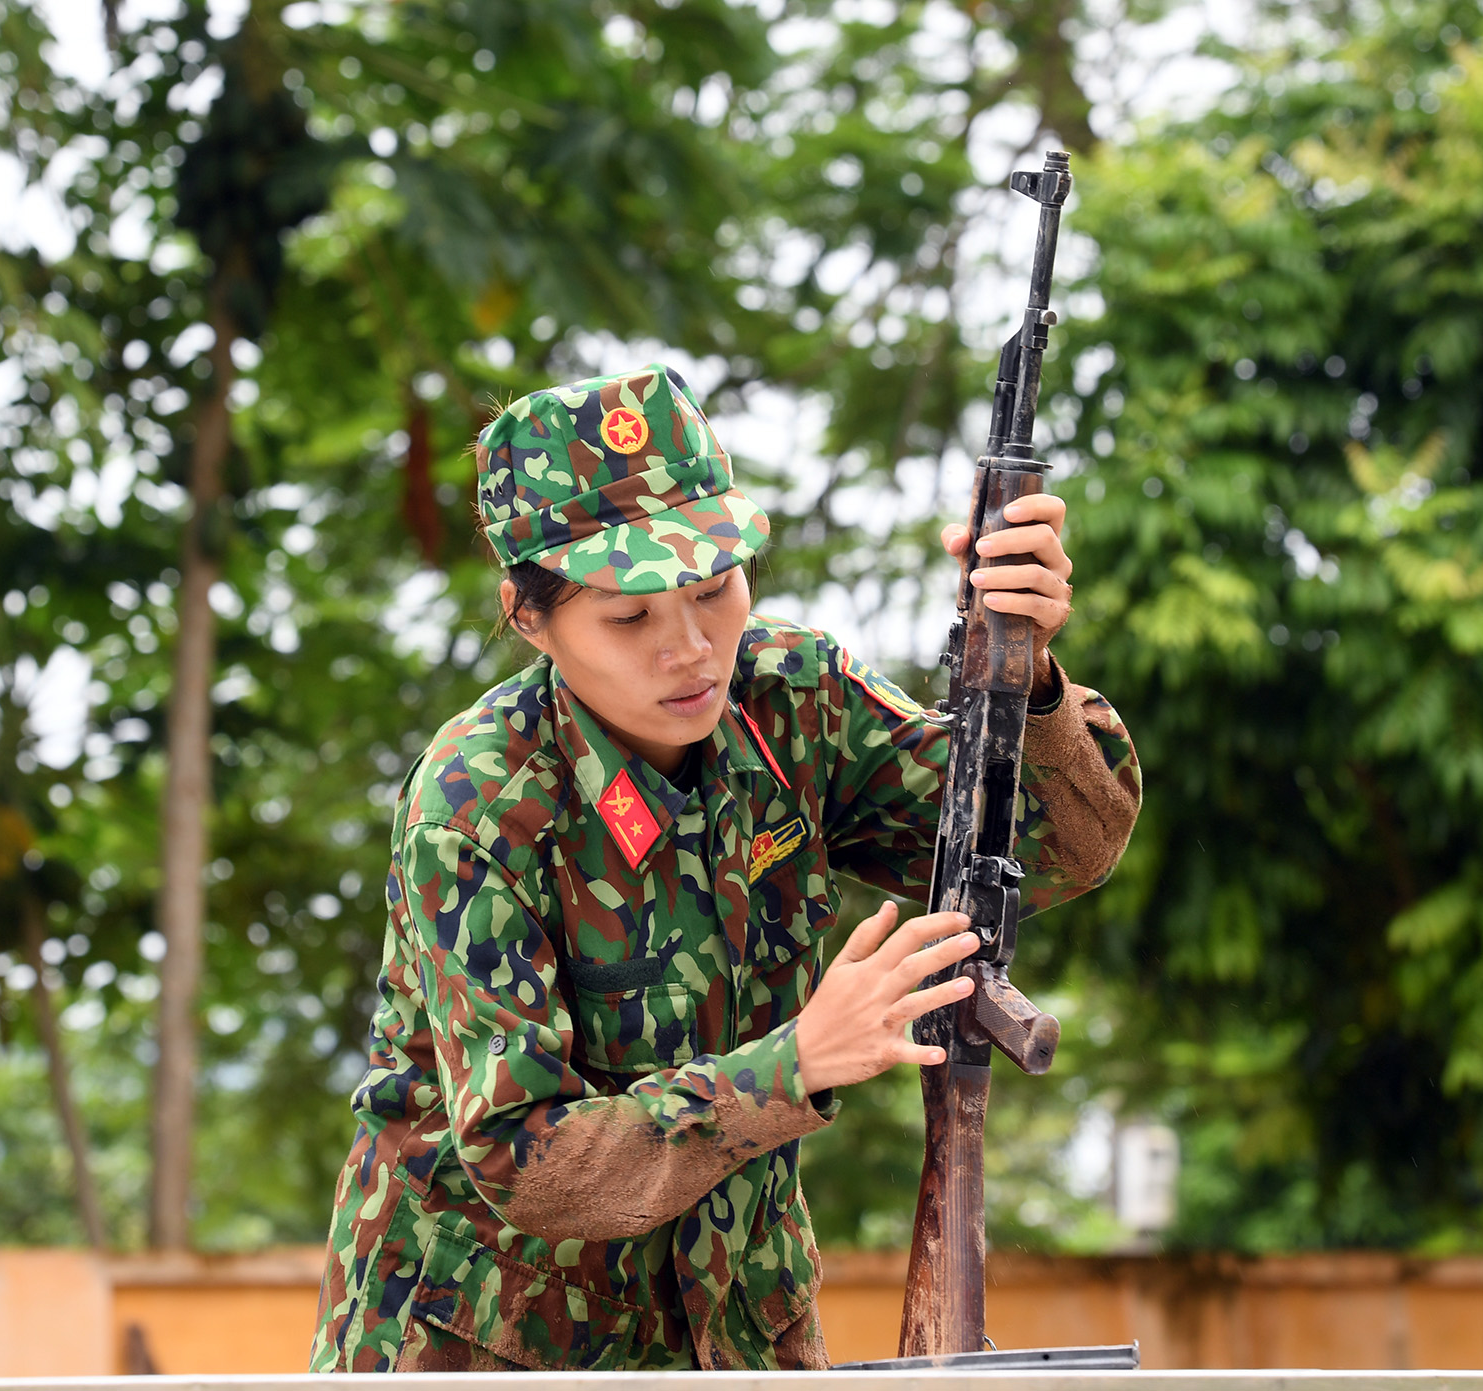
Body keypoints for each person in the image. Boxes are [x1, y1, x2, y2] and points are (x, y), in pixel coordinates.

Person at [310, 363, 1141, 1373]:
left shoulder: (794, 704)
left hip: (735, 1329)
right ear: (529, 615)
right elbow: (524, 1159)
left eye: (714, 589)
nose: (692, 647)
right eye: (629, 617)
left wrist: (1025, 663)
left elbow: (1053, 849)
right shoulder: (480, 800)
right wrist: (791, 1062)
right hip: (490, 1347)